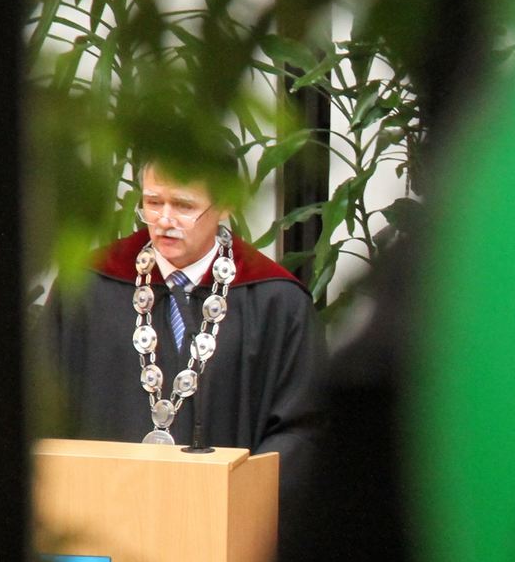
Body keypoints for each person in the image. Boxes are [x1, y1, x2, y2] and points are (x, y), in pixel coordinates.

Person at [45, 160, 326, 501]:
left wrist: (241, 499)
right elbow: (40, 403)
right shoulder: (86, 288)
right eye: (153, 202)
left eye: (183, 205)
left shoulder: (275, 301)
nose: (165, 221)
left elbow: (300, 430)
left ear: (225, 205)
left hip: (223, 514)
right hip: (102, 509)